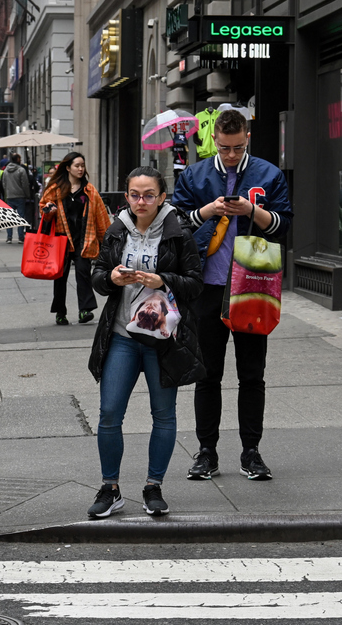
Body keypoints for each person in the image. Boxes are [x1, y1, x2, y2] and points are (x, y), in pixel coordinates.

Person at [171, 108, 292, 482]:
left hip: (253, 286)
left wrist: (252, 211)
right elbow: (175, 225)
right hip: (207, 287)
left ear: (247, 138)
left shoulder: (268, 174)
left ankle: (251, 451)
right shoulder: (195, 175)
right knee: (207, 374)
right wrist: (209, 210)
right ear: (214, 141)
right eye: (224, 148)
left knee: (252, 374)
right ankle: (206, 452)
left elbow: (283, 225)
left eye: (238, 147)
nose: (231, 155)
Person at [85, 168, 204, 518]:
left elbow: (195, 284)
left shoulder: (178, 232)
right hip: (121, 335)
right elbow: (97, 276)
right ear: (126, 197)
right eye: (135, 195)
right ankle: (110, 488)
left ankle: (154, 486)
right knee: (109, 413)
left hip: (161, 338)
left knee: (163, 415)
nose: (141, 201)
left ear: (162, 197)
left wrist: (162, 280)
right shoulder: (117, 229)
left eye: (149, 195)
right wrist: (111, 278)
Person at [39, 152, 110, 326]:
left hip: (83, 239)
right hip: (61, 239)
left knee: (83, 272)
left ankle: (85, 310)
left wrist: (107, 240)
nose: (80, 169)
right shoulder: (55, 189)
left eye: (82, 166)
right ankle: (60, 312)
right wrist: (49, 211)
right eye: (77, 166)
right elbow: (43, 209)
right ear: (68, 168)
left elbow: (101, 217)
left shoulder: (89, 190)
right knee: (60, 276)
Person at [2, 153, 33, 244]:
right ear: (18, 159)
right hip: (20, 196)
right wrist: (27, 194)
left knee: (9, 218)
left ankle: (9, 237)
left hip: (10, 196)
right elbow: (25, 184)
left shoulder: (6, 170)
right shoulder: (21, 170)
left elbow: (4, 183)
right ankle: (20, 237)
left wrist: (7, 192)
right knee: (20, 217)